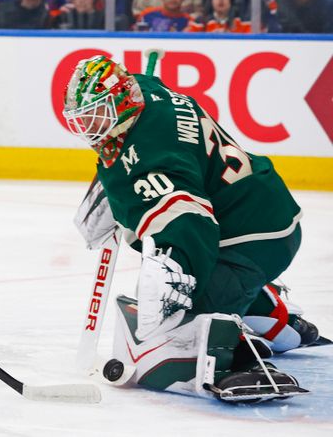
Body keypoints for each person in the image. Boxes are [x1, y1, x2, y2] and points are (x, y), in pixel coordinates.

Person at [62, 54, 320, 402]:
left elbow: (190, 225)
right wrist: (115, 179)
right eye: (83, 119)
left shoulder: (156, 156)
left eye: (97, 115)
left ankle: (240, 358)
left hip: (251, 237)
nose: (90, 128)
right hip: (256, 208)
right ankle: (273, 316)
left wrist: (174, 286)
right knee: (171, 253)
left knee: (178, 320)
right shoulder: (144, 89)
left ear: (121, 102)